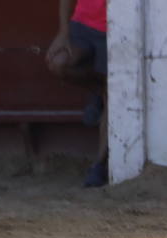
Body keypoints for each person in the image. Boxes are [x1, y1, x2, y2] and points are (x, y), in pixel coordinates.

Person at [46, 0, 109, 188]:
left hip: (115, 29)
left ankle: (99, 164)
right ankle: (97, 90)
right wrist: (64, 32)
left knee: (113, 98)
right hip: (82, 25)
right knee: (57, 63)